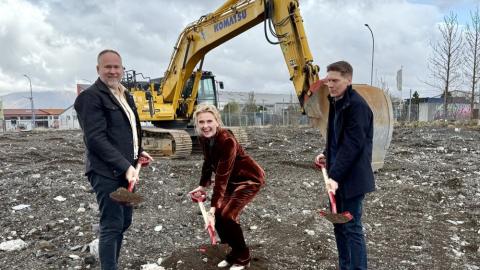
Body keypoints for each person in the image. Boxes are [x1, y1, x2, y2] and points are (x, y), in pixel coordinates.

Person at [74, 49, 153, 270]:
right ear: (98, 69)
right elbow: (95, 139)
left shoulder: (124, 94)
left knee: (124, 221)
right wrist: (125, 165)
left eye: (116, 67)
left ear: (122, 69)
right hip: (105, 172)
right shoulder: (89, 97)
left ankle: (112, 264)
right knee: (111, 224)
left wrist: (139, 152)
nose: (112, 71)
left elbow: (128, 130)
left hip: (126, 169)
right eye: (107, 67)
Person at [189, 104, 265, 270]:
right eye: (201, 122)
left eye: (209, 121)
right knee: (220, 217)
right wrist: (202, 185)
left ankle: (243, 257)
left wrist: (212, 209)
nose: (205, 126)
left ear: (217, 121)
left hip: (248, 179)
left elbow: (221, 177)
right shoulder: (204, 138)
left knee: (228, 215)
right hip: (231, 181)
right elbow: (208, 163)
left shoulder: (226, 140)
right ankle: (232, 253)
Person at [315, 61, 374, 270]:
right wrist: (325, 154)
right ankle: (345, 266)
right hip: (337, 175)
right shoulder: (336, 102)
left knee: (352, 228)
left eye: (335, 80)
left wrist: (334, 177)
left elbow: (353, 145)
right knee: (339, 227)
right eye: (328, 80)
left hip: (353, 178)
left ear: (348, 80)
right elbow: (335, 138)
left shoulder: (357, 106)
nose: (330, 85)